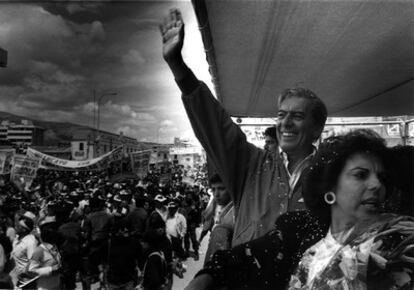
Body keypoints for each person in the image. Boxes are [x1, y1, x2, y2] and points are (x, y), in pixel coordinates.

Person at [160, 9, 327, 246]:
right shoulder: (253, 167)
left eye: (298, 116)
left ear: (317, 128)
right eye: (281, 115)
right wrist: (178, 66)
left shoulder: (332, 176)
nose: (285, 123)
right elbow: (215, 126)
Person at [185, 129, 414, 290]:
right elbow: (242, 257)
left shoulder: (395, 243)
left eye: (382, 178)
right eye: (360, 175)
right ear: (329, 186)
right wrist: (204, 278)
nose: (376, 186)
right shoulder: (305, 237)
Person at [200, 174, 235, 265]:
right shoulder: (214, 204)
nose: (216, 194)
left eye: (221, 189)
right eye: (214, 189)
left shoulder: (234, 213)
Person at [27, 216, 62, 290]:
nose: (57, 232)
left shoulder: (55, 247)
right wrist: (50, 270)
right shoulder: (39, 250)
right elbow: (30, 271)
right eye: (52, 229)